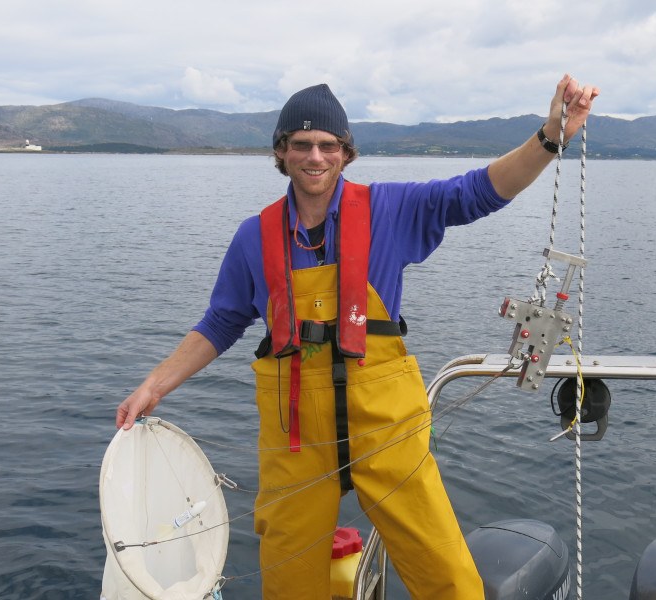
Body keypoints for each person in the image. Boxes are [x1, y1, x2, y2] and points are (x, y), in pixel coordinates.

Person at [115, 75, 599, 599]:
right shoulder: (253, 237)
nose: (315, 157)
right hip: (294, 431)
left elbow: (479, 191)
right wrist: (156, 385)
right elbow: (220, 322)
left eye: (328, 145)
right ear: (282, 151)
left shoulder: (390, 210)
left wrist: (552, 135)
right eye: (301, 145)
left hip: (386, 421)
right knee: (288, 581)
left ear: (346, 153)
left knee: (449, 575)